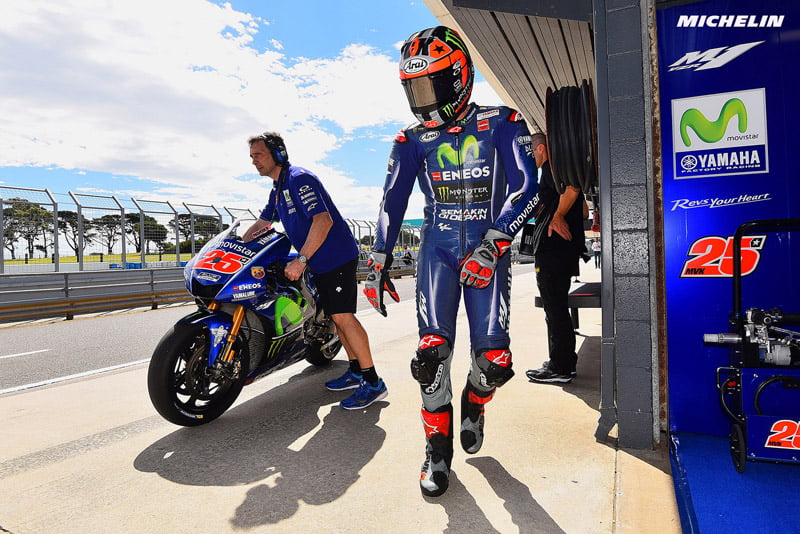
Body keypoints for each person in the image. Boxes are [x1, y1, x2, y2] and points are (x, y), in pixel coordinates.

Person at [363, 26, 560, 497]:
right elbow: (392, 201)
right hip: (437, 251)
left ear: (457, 79)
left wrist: (493, 245)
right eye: (413, 88)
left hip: (489, 251)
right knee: (431, 358)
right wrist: (378, 259)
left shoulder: (503, 121)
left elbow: (527, 188)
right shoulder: (410, 139)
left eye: (428, 85)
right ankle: (437, 452)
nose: (421, 99)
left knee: (495, 363)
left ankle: (475, 401)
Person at [243, 132, 388, 410]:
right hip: (320, 262)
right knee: (336, 318)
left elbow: (323, 220)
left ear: (278, 154)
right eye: (251, 156)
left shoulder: (299, 179)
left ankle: (373, 382)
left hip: (336, 257)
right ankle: (356, 370)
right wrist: (240, 245)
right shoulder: (278, 188)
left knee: (344, 317)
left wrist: (301, 260)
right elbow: (262, 223)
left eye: (258, 154)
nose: (254, 161)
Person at [526, 133, 588, 385]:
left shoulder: (554, 167)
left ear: (541, 148)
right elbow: (583, 210)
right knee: (557, 308)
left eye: (530, 152)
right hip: (562, 251)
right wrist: (557, 212)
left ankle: (561, 367)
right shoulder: (557, 169)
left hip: (553, 251)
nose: (528, 158)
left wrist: (558, 215)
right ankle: (561, 361)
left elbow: (573, 188)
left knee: (555, 309)